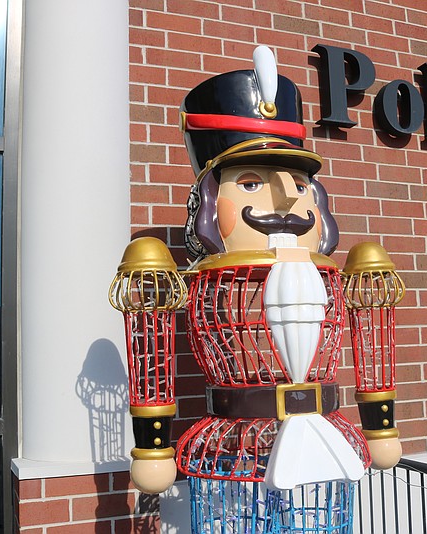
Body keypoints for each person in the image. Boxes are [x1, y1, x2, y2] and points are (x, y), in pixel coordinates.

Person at [112, 46, 403, 533]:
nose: (288, 195)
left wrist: (380, 426)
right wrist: (153, 446)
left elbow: (374, 336)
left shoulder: (344, 270)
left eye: (299, 182)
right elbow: (150, 343)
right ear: (208, 202)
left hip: (324, 438)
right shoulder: (189, 276)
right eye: (249, 184)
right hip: (235, 438)